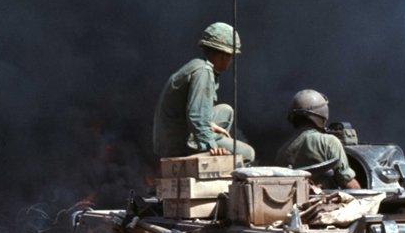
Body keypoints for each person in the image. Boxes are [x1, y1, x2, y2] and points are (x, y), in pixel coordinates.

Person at [152, 22, 256, 163]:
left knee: (226, 111)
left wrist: (210, 125)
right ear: (223, 55)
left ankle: (207, 142)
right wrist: (211, 147)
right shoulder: (203, 72)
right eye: (231, 56)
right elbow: (196, 116)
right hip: (178, 145)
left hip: (172, 136)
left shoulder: (197, 65)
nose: (231, 61)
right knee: (248, 153)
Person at [275, 89, 360, 188]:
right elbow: (347, 181)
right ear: (322, 113)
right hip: (326, 201)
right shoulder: (329, 142)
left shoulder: (282, 151)